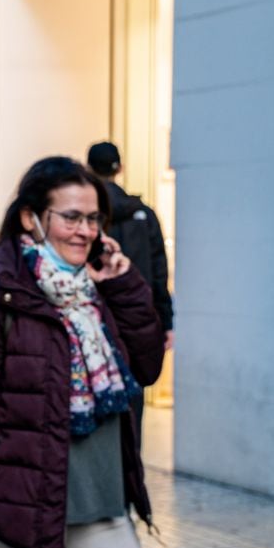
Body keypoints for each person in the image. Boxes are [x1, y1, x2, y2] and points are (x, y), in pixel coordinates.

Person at [0, 157, 165, 548]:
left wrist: (125, 285)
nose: (85, 230)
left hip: (101, 506)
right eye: (71, 217)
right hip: (19, 515)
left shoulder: (104, 293)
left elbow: (149, 365)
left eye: (94, 218)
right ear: (31, 218)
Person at [88, 141, 174, 444]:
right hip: (138, 322)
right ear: (120, 168)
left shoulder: (89, 216)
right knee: (133, 406)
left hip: (97, 323)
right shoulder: (144, 215)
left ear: (89, 170)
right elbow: (160, 274)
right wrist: (166, 322)